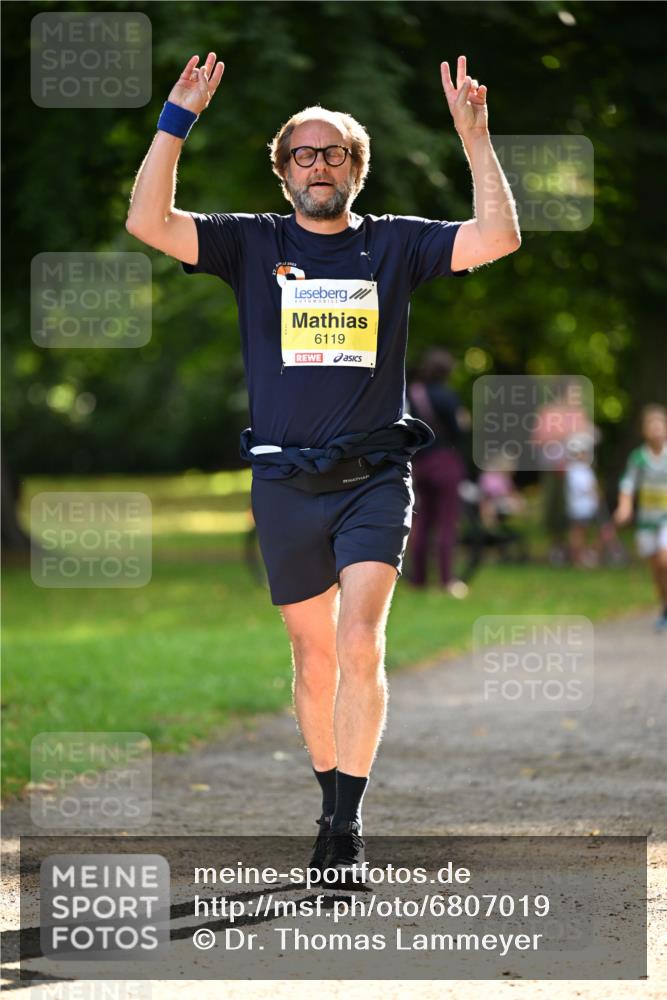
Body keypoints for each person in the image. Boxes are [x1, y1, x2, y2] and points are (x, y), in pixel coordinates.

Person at [125, 51, 521, 884]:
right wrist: (175, 120)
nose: (318, 165)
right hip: (284, 484)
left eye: (334, 153)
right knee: (311, 658)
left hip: (374, 477)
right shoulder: (249, 243)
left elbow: (497, 238)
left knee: (359, 640)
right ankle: (324, 796)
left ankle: (344, 827)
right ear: (283, 172)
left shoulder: (395, 247)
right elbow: (149, 224)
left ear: (355, 170)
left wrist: (475, 140)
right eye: (303, 153)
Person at [406, 349, 469, 593]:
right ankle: (446, 579)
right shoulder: (447, 396)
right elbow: (457, 430)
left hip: (420, 463)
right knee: (446, 522)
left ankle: (418, 579)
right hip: (444, 461)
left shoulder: (413, 394)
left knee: (421, 521)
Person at [614, 404, 667, 631]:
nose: (655, 429)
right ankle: (664, 606)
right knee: (656, 569)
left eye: (659, 424)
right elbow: (627, 485)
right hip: (647, 521)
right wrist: (624, 507)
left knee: (666, 561)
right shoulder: (638, 458)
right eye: (651, 424)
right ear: (644, 430)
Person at [564, 434, 600, 567]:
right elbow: (583, 487)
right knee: (578, 532)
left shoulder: (583, 468)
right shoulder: (574, 469)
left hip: (586, 506)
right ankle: (577, 558)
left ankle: (582, 556)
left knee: (583, 532)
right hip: (578, 507)